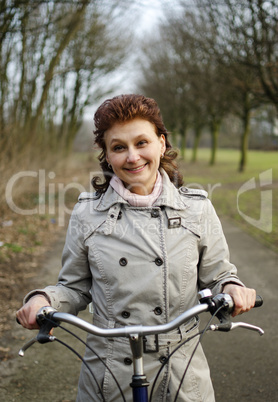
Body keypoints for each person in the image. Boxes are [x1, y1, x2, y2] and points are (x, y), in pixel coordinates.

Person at [17, 94, 256, 402]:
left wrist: (233, 287)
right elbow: (74, 288)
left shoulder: (197, 210)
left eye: (141, 142)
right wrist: (43, 298)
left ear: (161, 143)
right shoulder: (87, 214)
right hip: (108, 372)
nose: (132, 157)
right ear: (106, 155)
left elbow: (218, 275)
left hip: (182, 371)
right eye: (119, 147)